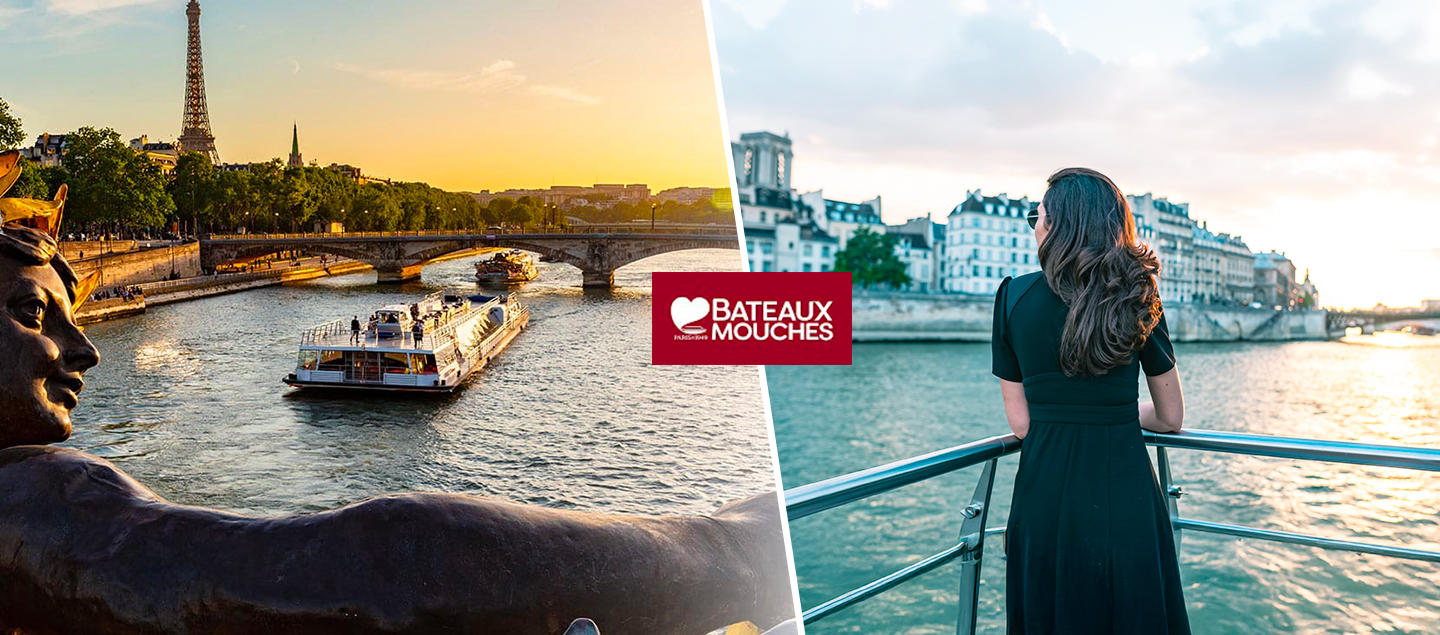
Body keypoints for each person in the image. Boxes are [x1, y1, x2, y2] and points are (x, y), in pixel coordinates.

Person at [0, 154, 796, 634]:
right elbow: (386, 565)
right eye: (37, 314)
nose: (87, 348)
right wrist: (730, 547)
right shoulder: (27, 494)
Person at [992, 168, 1189, 634]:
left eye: (1035, 217)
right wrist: (1115, 412)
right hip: (1125, 500)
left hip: (1042, 504)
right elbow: (1170, 417)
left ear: (1057, 225)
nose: (1033, 226)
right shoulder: (1138, 295)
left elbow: (1021, 423)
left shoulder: (1012, 297)